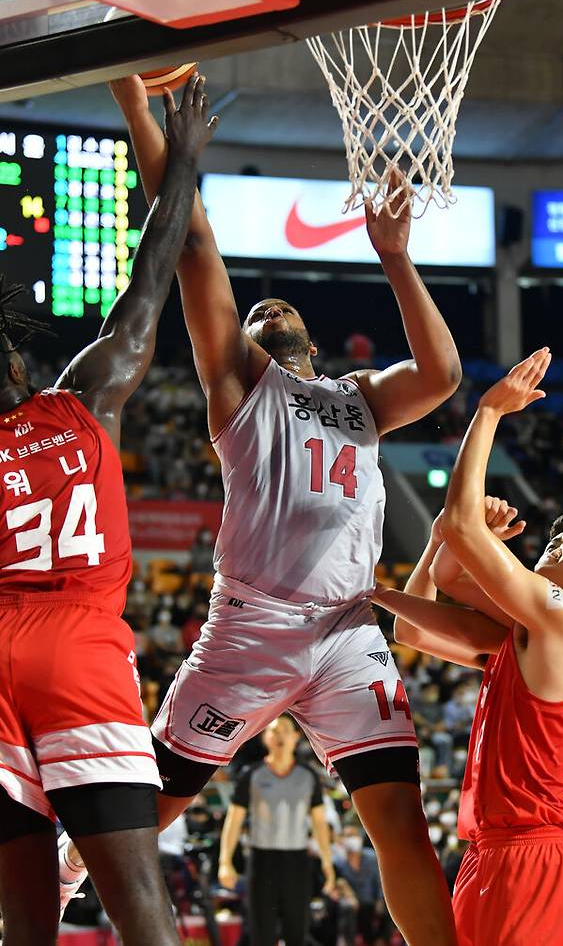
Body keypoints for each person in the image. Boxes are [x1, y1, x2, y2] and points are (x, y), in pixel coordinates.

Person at [83, 72, 465, 946]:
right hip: (249, 630)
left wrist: (396, 258)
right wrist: (141, 114)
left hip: (346, 630)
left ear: (314, 340)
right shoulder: (239, 387)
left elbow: (441, 377)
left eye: (280, 305)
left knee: (399, 818)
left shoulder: (359, 395)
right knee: (156, 798)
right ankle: (68, 867)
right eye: (255, 312)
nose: (267, 310)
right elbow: (194, 246)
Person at [0, 75, 217, 946]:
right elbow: (151, 276)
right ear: (20, 369)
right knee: (140, 906)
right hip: (79, 644)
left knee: (25, 919)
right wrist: (186, 159)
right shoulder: (83, 398)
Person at [374, 349, 563, 946]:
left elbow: (462, 527)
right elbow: (424, 619)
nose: (562, 543)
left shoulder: (560, 625)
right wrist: (388, 583)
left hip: (530, 863)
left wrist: (488, 412)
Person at [218, 714, 334, 946]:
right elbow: (234, 819)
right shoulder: (251, 774)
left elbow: (320, 824)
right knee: (261, 932)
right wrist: (225, 861)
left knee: (297, 932)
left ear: (295, 737)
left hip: (297, 862)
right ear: (265, 738)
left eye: (285, 731)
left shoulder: (308, 776)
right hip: (262, 862)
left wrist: (327, 863)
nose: (279, 736)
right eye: (274, 731)